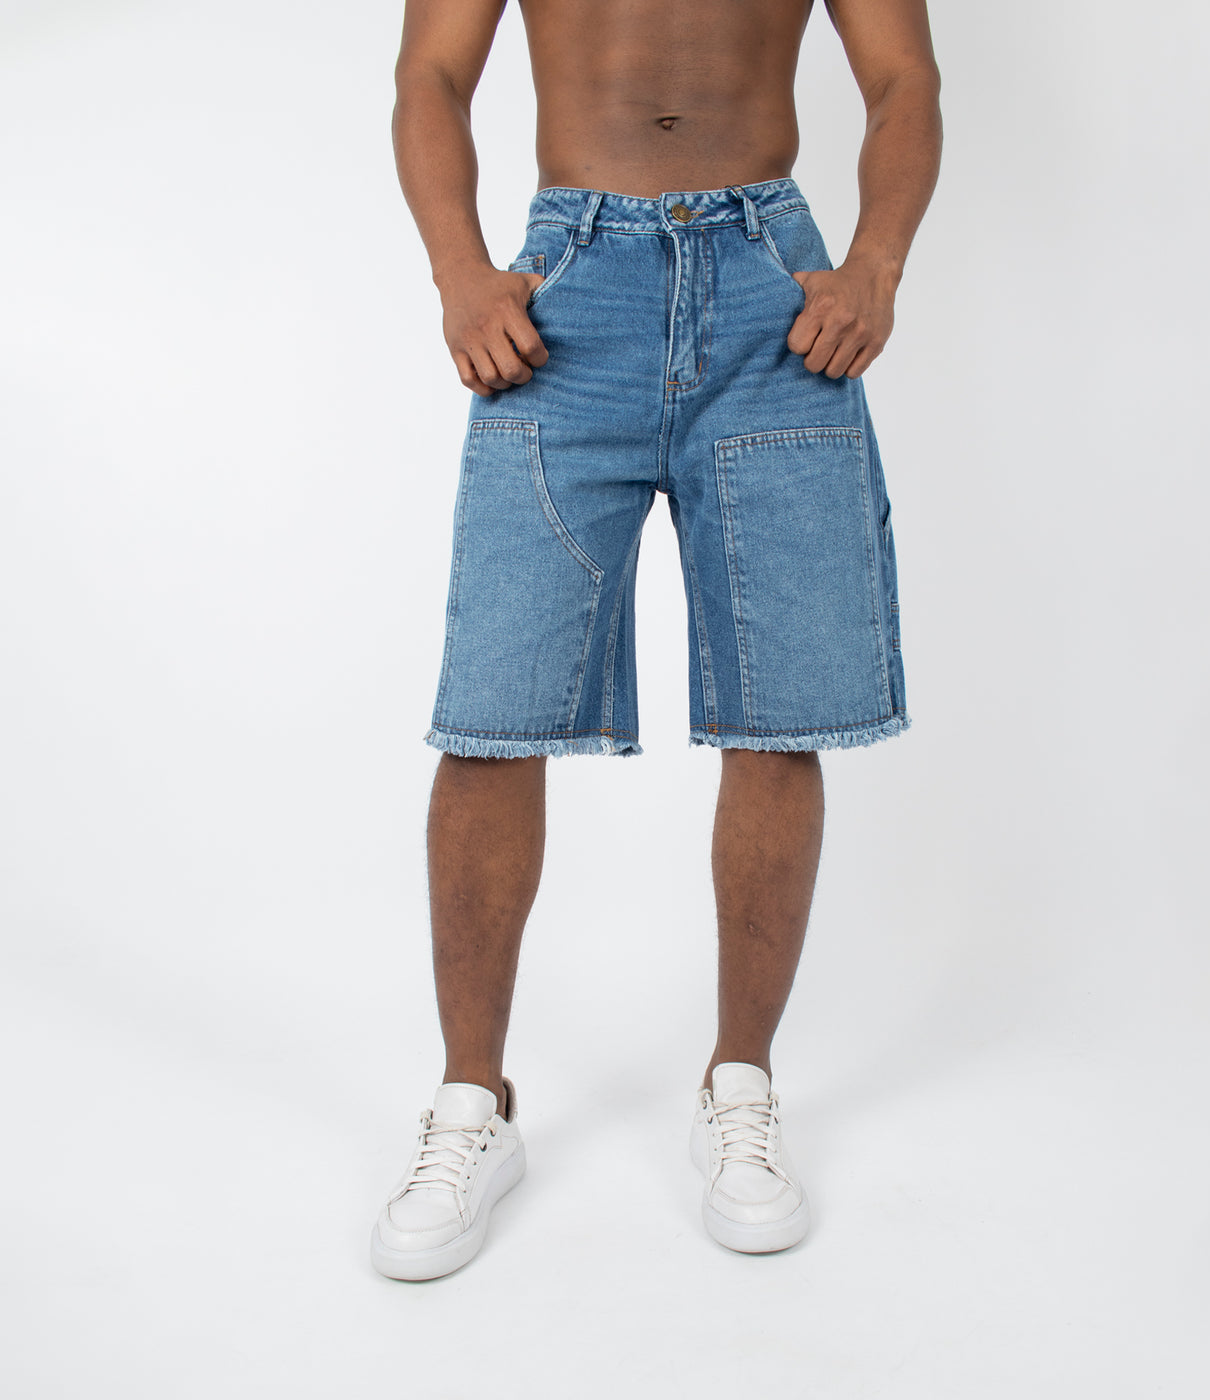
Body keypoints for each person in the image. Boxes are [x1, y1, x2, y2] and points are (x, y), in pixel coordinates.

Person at [371, 0, 942, 1280]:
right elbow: (430, 74)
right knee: (495, 707)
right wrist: (459, 271)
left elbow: (904, 80)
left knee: (780, 707)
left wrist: (875, 267)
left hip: (768, 291)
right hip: (566, 293)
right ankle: (471, 1101)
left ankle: (741, 1084)